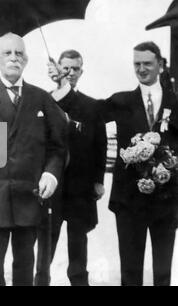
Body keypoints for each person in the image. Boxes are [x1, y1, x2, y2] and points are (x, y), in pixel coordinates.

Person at [0, 33, 67, 286]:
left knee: (25, 266)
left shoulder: (42, 99)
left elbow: (58, 146)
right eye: (7, 53)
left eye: (19, 53)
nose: (13, 58)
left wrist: (50, 174)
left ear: (27, 60)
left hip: (29, 199)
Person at [101, 41, 178, 286]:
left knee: (163, 273)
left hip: (167, 202)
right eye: (137, 64)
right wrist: (64, 89)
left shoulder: (176, 103)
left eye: (147, 63)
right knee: (130, 273)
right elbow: (90, 111)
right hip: (129, 201)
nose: (141, 69)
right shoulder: (121, 101)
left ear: (160, 65)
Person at [35, 50, 107, 286]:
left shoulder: (92, 106)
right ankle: (40, 281)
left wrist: (98, 180)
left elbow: (100, 145)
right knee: (47, 240)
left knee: (78, 241)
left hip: (80, 186)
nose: (70, 73)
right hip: (52, 184)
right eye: (65, 68)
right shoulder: (44, 100)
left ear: (81, 71)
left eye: (75, 69)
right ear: (57, 70)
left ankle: (79, 282)